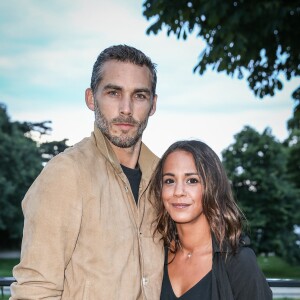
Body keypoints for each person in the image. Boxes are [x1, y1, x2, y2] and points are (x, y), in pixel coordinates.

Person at [10, 44, 164, 300]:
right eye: (114, 93)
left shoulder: (166, 179)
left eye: (139, 95)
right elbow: (34, 292)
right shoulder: (65, 174)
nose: (126, 108)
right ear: (91, 98)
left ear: (153, 104)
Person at [149, 140, 272, 300]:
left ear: (213, 187)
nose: (178, 192)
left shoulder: (239, 261)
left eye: (192, 180)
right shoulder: (155, 254)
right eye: (169, 181)